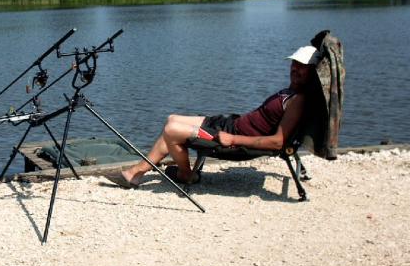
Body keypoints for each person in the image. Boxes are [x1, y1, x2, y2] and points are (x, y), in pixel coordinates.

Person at [107, 45, 321, 188]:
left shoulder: (298, 100)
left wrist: (233, 139)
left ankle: (183, 175)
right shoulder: (291, 91)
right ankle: (141, 172)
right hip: (232, 123)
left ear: (313, 72)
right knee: (172, 119)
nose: (295, 69)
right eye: (294, 64)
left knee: (172, 131)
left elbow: (277, 142)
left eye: (302, 67)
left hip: (234, 138)